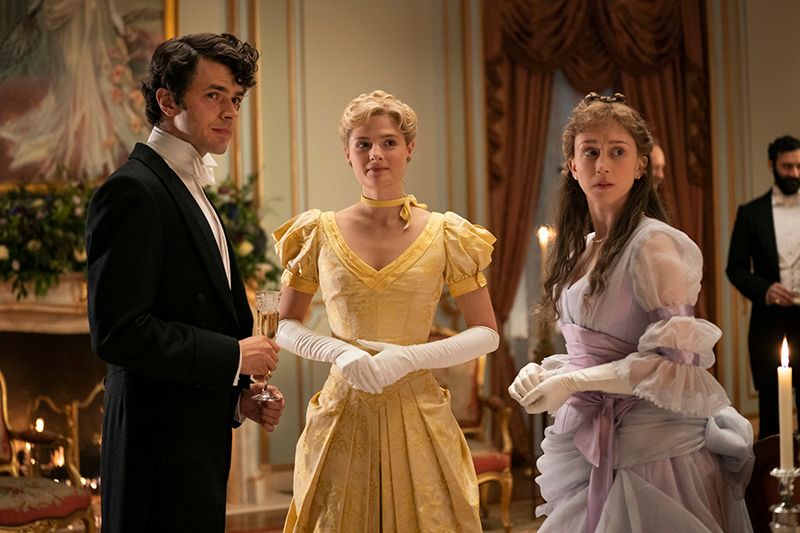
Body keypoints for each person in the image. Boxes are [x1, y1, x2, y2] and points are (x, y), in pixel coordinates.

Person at [509, 93, 753, 532]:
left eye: (617, 151)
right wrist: (544, 371)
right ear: (571, 163)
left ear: (641, 164)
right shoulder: (581, 251)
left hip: (655, 454)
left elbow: (675, 362)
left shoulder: (655, 243)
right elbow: (595, 352)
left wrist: (571, 382)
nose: (602, 164)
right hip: (592, 439)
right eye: (591, 151)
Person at [272, 89, 499, 532]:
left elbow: (486, 331)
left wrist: (409, 358)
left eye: (389, 142)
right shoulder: (317, 232)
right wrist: (338, 353)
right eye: (363, 144)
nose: (376, 154)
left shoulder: (447, 234)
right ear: (347, 154)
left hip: (418, 413)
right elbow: (283, 324)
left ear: (409, 149)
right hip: (343, 411)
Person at [86, 33, 285, 531]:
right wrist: (235, 356)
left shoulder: (186, 184)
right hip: (153, 452)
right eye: (213, 95)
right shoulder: (133, 190)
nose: (230, 112)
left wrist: (235, 397)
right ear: (168, 100)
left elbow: (186, 314)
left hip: (192, 443)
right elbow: (119, 333)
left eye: (235, 99)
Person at [727, 135, 800, 440]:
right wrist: (766, 289)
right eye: (787, 166)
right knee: (772, 420)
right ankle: (775, 487)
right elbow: (736, 268)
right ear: (772, 166)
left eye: (798, 166)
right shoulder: (750, 213)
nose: (795, 173)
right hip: (769, 325)